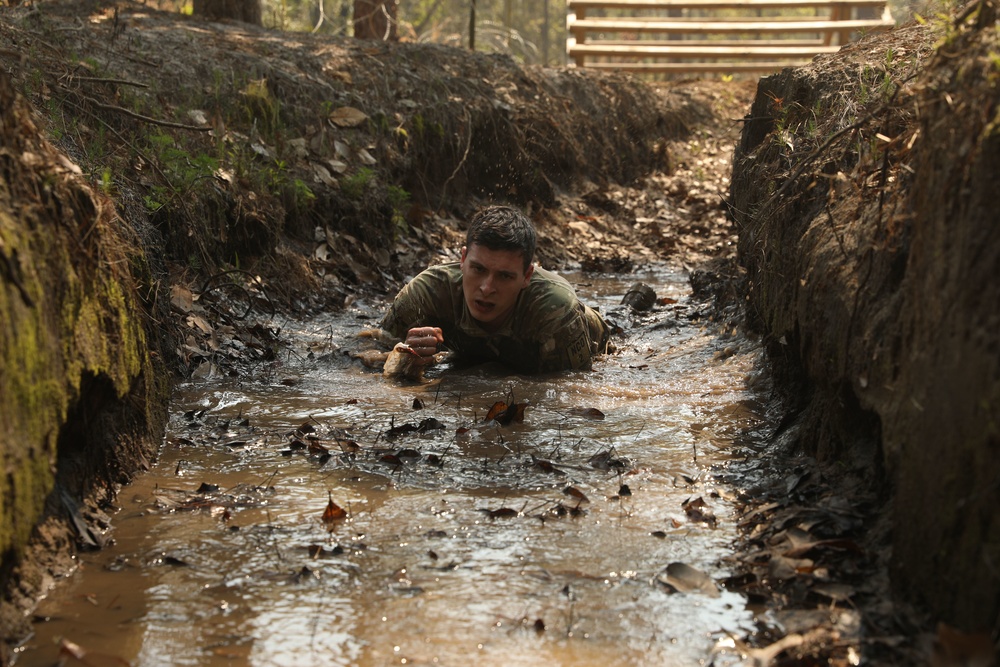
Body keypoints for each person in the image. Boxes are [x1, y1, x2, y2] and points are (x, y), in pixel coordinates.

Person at [379, 205, 611, 374]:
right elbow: (366, 353)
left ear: (526, 276)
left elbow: (572, 388)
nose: (487, 288)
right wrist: (402, 357)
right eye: (478, 269)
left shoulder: (554, 311)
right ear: (463, 259)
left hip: (586, 336)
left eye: (505, 276)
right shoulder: (427, 292)